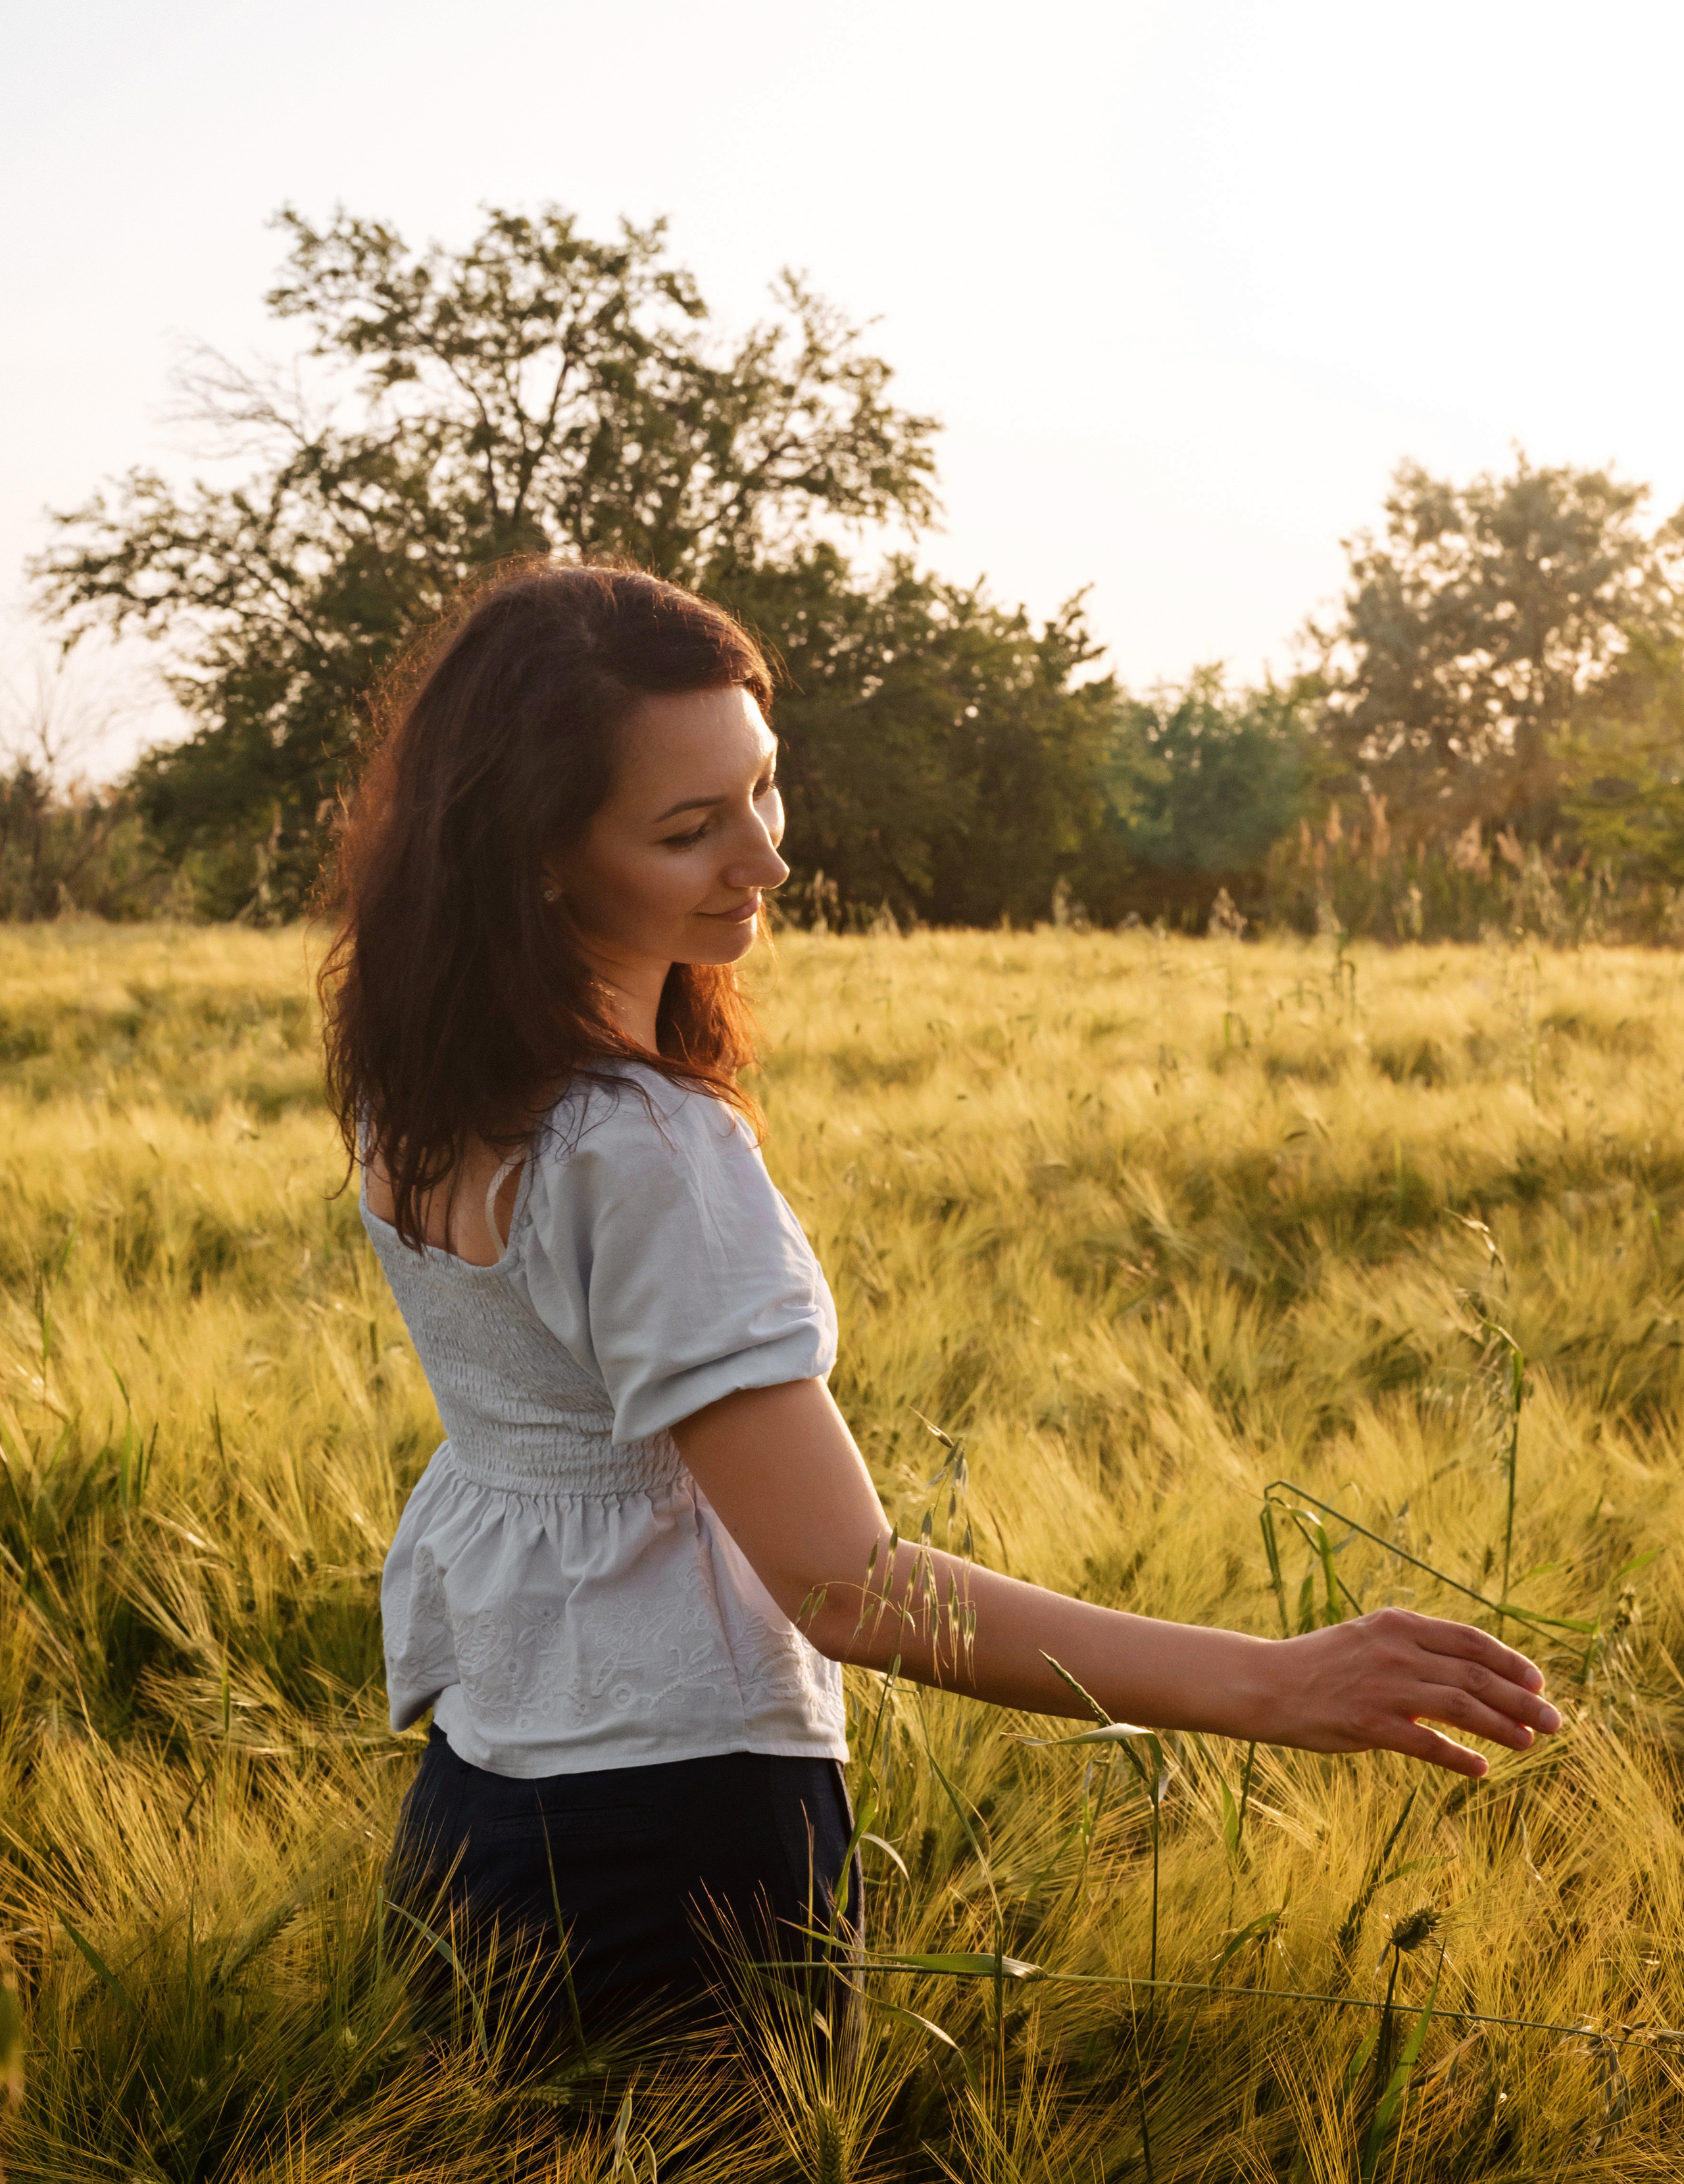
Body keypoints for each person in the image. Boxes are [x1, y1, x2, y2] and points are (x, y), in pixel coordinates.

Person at [322, 561, 1560, 2037]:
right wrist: (1271, 1685)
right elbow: (850, 1586)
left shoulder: (424, 1094)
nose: (766, 862)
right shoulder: (646, 1152)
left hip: (474, 1804)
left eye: (763, 789)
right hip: (675, 1839)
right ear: (536, 856)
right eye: (687, 828)